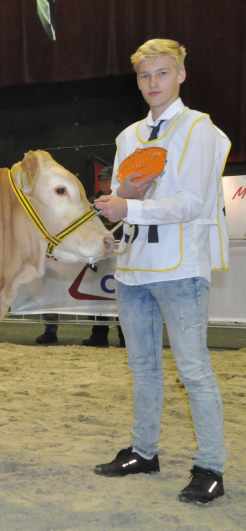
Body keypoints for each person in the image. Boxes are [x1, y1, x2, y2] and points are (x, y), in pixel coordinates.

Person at [94, 39, 230, 504]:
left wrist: (128, 202)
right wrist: (121, 199)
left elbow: (192, 204)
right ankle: (143, 451)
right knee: (143, 367)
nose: (152, 83)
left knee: (194, 369)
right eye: (144, 76)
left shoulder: (200, 130)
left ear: (181, 75)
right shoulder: (128, 136)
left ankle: (210, 467)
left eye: (161, 74)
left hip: (179, 267)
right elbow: (121, 197)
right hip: (132, 268)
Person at [83, 166, 126, 348]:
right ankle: (99, 334)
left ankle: (125, 335)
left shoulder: (123, 201)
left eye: (106, 179)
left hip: (122, 251)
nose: (103, 182)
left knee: (123, 295)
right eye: (101, 180)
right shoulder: (92, 201)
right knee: (97, 295)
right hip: (100, 253)